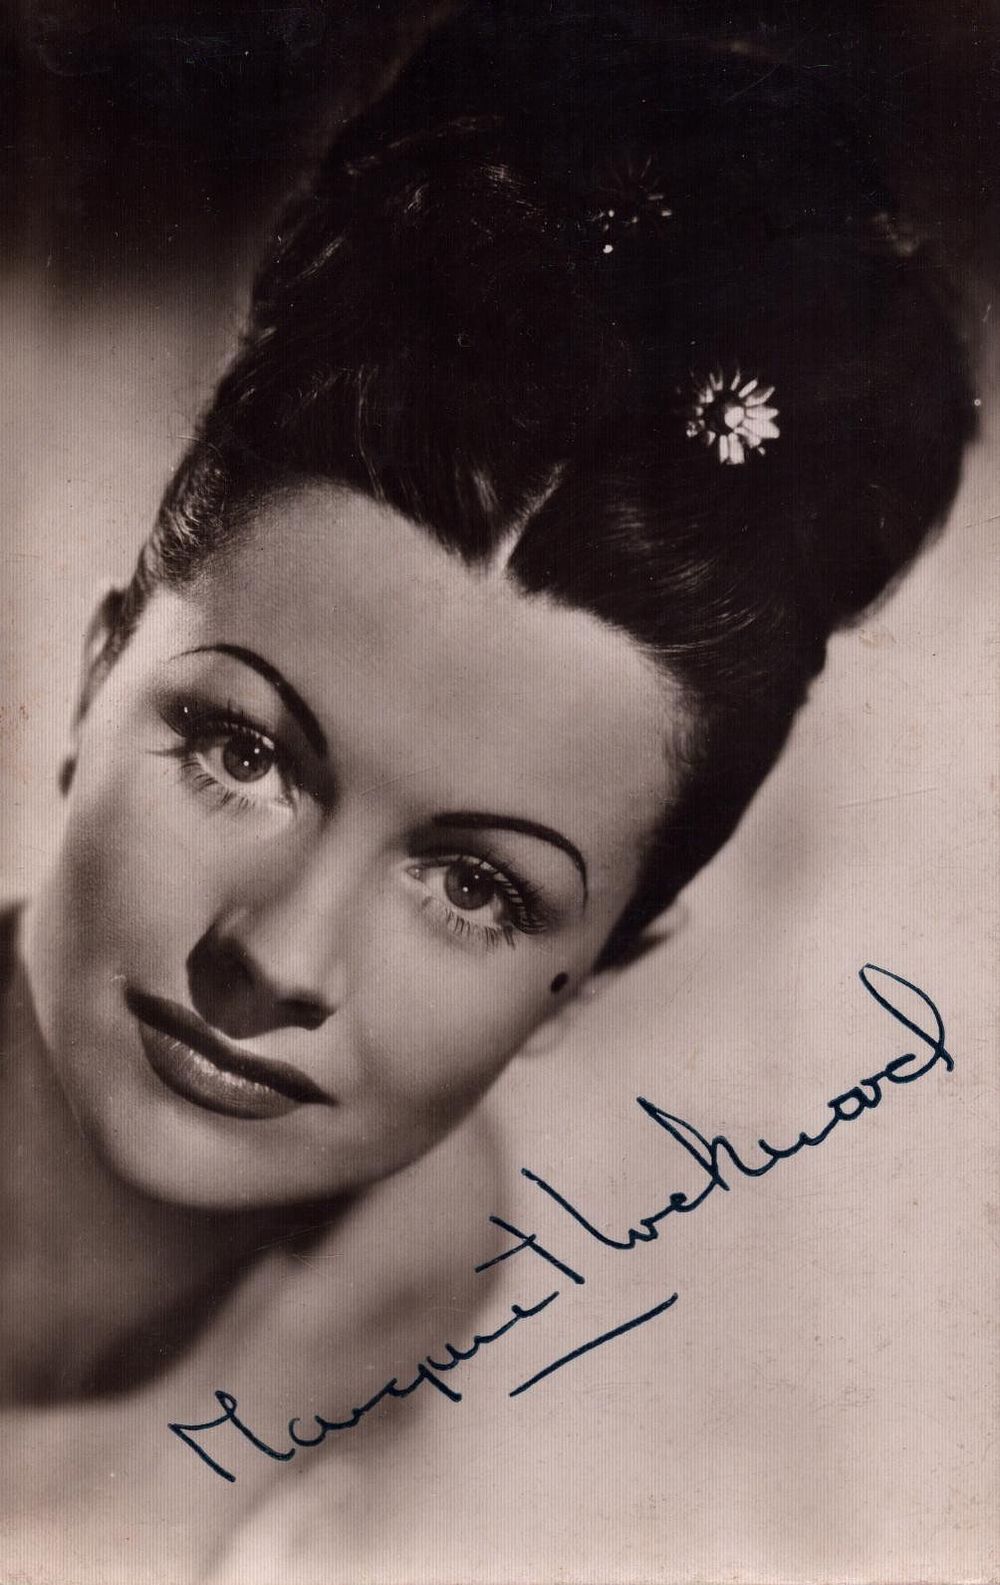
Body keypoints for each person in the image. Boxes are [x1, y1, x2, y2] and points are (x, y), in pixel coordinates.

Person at [0, 2, 976, 1579]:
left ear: (593, 976)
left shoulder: (414, 1252)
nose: (279, 958)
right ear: (97, 666)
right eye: (244, 751)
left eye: (478, 887)